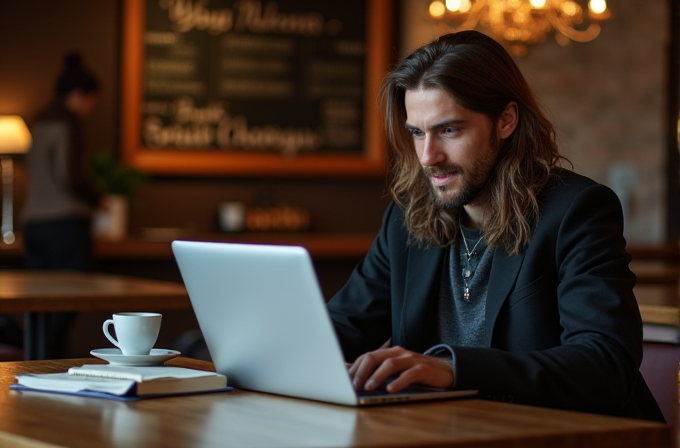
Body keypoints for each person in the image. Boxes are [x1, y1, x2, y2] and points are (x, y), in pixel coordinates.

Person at [326, 31, 665, 422]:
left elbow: (606, 367)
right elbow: (341, 328)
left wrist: (454, 368)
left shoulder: (576, 211)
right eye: (417, 132)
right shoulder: (406, 220)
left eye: (449, 130)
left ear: (505, 120)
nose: (427, 156)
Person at [21, 52, 102, 359]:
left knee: (42, 305)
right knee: (67, 305)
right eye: (91, 100)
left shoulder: (39, 121)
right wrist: (98, 199)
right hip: (64, 225)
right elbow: (69, 175)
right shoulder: (68, 123)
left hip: (34, 225)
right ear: (78, 96)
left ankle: (37, 368)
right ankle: (51, 366)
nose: (90, 109)